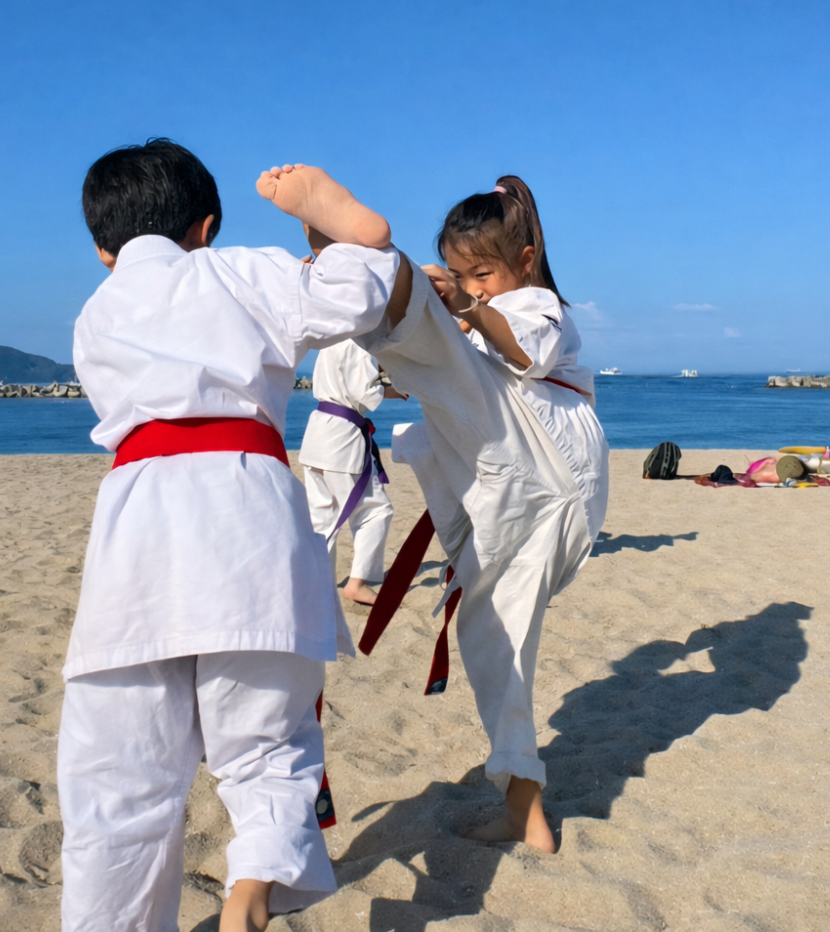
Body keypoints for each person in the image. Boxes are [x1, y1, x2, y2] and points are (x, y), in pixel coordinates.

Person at [58, 142, 403, 932]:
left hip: (139, 526)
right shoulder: (244, 272)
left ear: (104, 249)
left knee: (118, 778)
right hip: (249, 513)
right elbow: (361, 295)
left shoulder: (97, 314)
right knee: (266, 747)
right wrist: (354, 238)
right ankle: (250, 893)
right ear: (205, 227)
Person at [265, 170, 608, 855]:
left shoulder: (537, 305)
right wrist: (453, 320)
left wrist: (465, 309)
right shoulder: (491, 312)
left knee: (438, 343)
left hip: (548, 456)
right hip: (522, 494)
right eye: (463, 274)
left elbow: (521, 350)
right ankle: (525, 807)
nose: (475, 286)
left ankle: (367, 260)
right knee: (493, 638)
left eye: (483, 274)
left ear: (526, 261)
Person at [299, 329, 397, 607]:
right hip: (341, 438)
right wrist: (399, 390)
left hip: (317, 432)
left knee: (323, 517)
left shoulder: (331, 341)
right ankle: (357, 584)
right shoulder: (359, 343)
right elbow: (365, 393)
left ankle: (321, 583)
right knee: (375, 510)